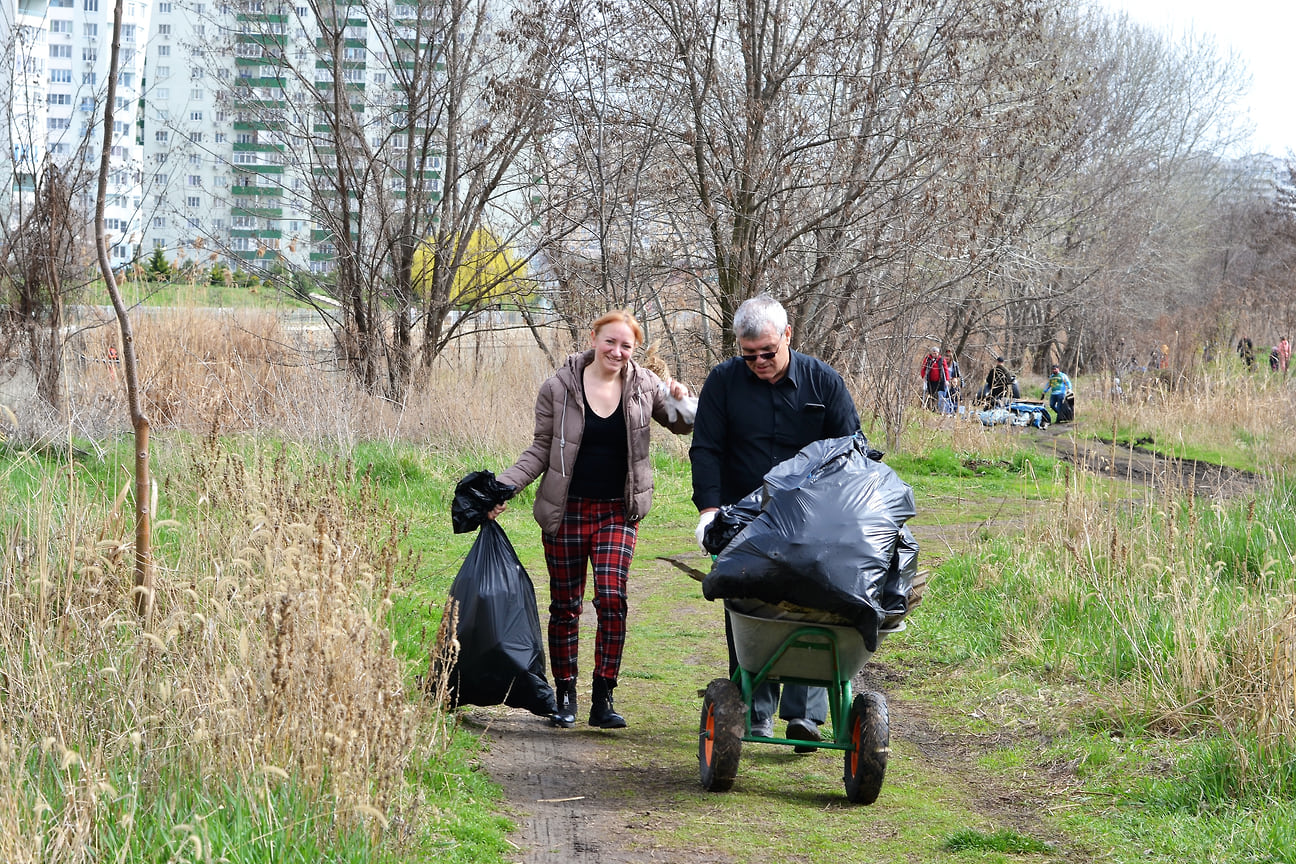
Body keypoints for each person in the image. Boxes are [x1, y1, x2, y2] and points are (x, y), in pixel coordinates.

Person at [494, 310, 694, 730]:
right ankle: (565, 695)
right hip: (565, 511)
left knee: (611, 597)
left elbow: (685, 425)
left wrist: (681, 398)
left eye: (626, 346)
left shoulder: (644, 386)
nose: (617, 352)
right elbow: (539, 450)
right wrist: (503, 488)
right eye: (611, 342)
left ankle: (603, 696)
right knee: (565, 607)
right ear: (594, 338)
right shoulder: (558, 387)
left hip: (617, 512)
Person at [690, 294, 861, 752]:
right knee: (749, 608)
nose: (760, 362)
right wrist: (709, 510)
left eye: (768, 352)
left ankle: (805, 716)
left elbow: (852, 452)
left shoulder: (823, 383)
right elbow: (706, 448)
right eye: (749, 355)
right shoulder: (724, 383)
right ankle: (754, 711)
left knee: (815, 604)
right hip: (745, 516)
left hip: (813, 517)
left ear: (788, 335)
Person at [919, 346, 949, 411]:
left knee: (938, 395)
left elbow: (946, 370)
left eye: (936, 353)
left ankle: (937, 408)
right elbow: (923, 368)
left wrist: (947, 379)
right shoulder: (927, 359)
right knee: (930, 394)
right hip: (930, 380)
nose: (934, 355)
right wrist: (923, 376)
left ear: (938, 353)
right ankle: (929, 407)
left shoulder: (941, 359)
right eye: (933, 353)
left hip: (939, 380)